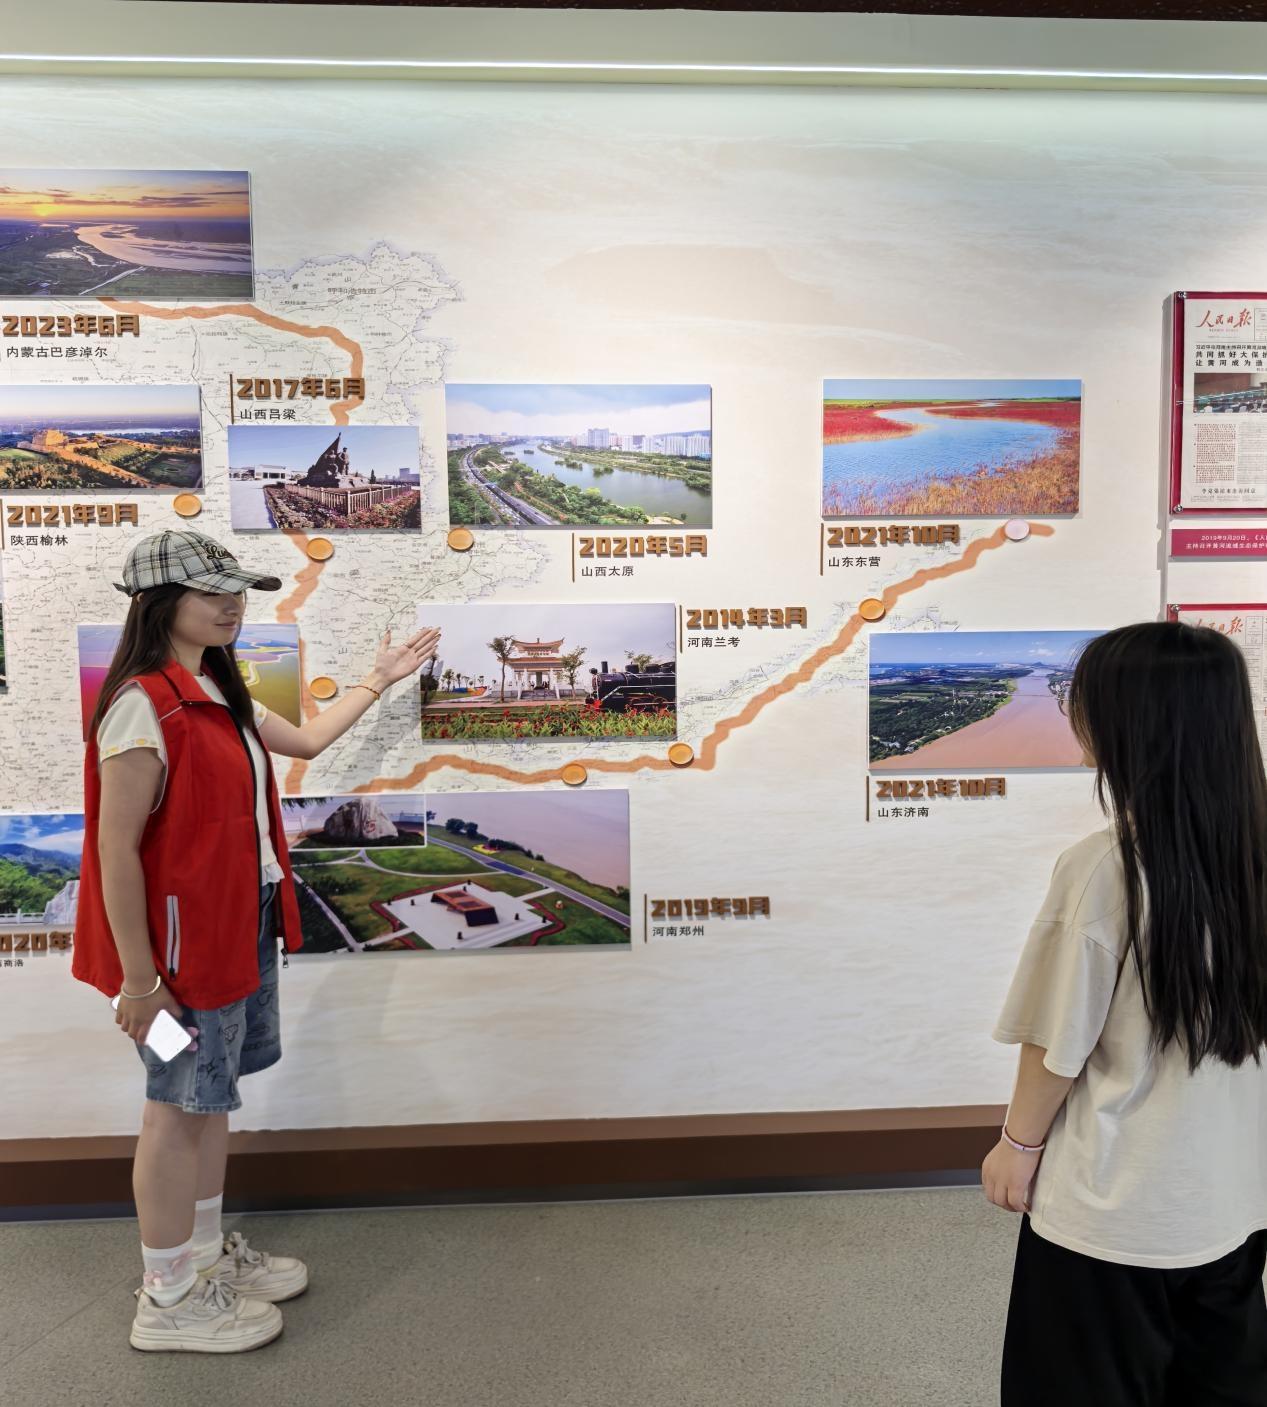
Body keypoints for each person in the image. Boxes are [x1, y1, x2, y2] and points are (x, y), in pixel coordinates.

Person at [70, 529, 439, 1353]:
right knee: (174, 1108)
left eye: (236, 590)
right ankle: (167, 1297)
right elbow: (113, 852)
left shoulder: (215, 688)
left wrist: (379, 677)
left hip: (236, 929)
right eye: (212, 591)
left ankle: (203, 1259)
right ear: (158, 602)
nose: (231, 604)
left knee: (210, 1099)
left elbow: (306, 741)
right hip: (178, 959)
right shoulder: (143, 703)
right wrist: (140, 981)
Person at [983, 621, 1267, 1405]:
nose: (1070, 713)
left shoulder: (1103, 869)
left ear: (1129, 724)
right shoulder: (1251, 856)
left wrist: (1016, 1145)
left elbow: (1055, 1041)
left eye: (1080, 700)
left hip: (1109, 1209)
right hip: (1233, 1193)